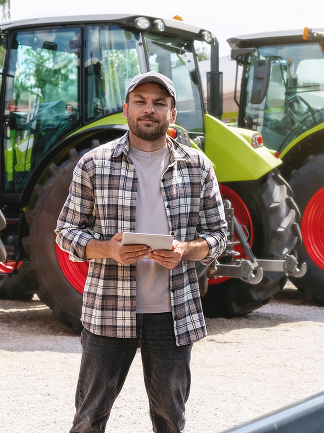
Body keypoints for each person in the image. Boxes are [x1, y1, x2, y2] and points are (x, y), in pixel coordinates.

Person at [55, 71, 228, 433]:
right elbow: (65, 232)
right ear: (126, 109)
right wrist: (106, 248)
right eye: (141, 102)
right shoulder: (94, 164)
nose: (149, 110)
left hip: (172, 315)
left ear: (172, 113)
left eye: (159, 103)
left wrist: (186, 250)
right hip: (107, 311)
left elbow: (218, 236)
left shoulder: (198, 167)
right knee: (88, 419)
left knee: (170, 421)